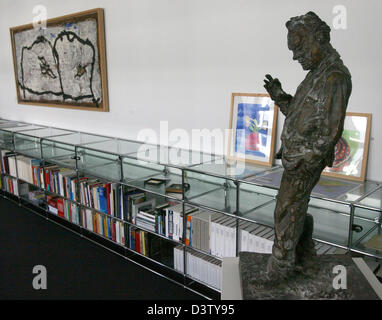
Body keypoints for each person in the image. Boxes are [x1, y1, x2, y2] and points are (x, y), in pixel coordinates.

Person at [263, 11, 352, 279]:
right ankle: (305, 255)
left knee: (286, 210)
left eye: (299, 46)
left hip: (304, 161)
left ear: (321, 38)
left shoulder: (335, 78)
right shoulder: (317, 74)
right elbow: (301, 116)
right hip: (295, 158)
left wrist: (306, 159)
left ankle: (280, 268)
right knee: (293, 207)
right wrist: (280, 97)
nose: (295, 55)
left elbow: (330, 132)